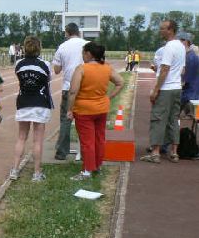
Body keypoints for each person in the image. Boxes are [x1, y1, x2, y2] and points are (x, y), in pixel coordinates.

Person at [66, 42, 124, 180]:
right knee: (99, 139)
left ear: (88, 54)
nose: (82, 56)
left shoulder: (81, 69)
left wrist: (70, 109)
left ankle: (87, 170)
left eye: (83, 54)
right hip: (101, 109)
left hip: (84, 110)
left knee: (87, 141)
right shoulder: (107, 68)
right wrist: (109, 97)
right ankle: (97, 165)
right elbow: (120, 82)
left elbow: (73, 91)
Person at [140, 20, 186, 164]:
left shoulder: (169, 47)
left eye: (162, 29)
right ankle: (174, 152)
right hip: (177, 87)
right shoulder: (181, 46)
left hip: (166, 88)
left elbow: (165, 69)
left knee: (158, 119)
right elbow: (182, 70)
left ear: (170, 30)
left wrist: (156, 89)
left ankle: (155, 153)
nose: (160, 31)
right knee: (173, 120)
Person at [9, 36, 54, 182]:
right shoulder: (45, 64)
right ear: (39, 48)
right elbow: (48, 79)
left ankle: (14, 170)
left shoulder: (18, 63)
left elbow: (20, 78)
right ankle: (36, 173)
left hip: (23, 102)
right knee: (37, 141)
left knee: (21, 137)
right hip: (40, 103)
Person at [52, 23, 88, 160]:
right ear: (78, 32)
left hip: (68, 87)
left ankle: (61, 151)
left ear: (67, 33)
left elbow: (56, 70)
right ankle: (85, 152)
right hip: (85, 88)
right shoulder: (88, 44)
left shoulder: (62, 47)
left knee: (65, 119)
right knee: (85, 121)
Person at [177, 32, 199, 117]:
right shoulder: (192, 56)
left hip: (189, 94)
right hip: (194, 93)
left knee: (172, 114)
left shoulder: (189, 57)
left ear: (185, 42)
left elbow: (183, 81)